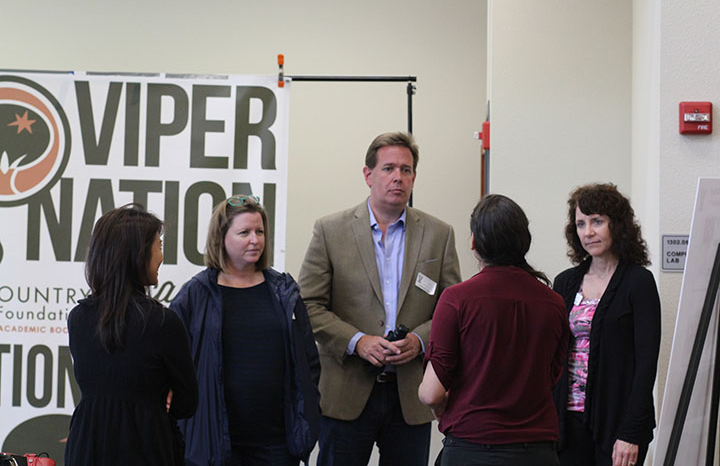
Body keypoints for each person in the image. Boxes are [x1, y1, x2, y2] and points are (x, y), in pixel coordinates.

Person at [298, 131, 462, 466]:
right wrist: (357, 341)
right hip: (345, 391)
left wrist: (419, 340)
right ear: (368, 174)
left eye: (406, 170)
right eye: (388, 168)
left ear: (414, 177)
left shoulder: (439, 234)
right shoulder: (330, 230)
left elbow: (453, 308)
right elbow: (308, 305)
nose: (398, 178)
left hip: (411, 395)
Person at [169, 195, 321, 466]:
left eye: (260, 231)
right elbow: (170, 361)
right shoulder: (196, 294)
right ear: (221, 238)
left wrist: (307, 412)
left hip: (276, 443)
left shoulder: (283, 290)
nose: (255, 240)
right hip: (216, 444)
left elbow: (308, 360)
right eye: (244, 233)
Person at [418, 194, 569, 466]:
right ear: (524, 241)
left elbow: (431, 393)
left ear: (475, 243)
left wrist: (441, 406)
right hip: (537, 452)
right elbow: (551, 376)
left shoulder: (456, 299)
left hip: (472, 449)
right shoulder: (554, 303)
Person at [65, 204, 198, 465]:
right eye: (158, 245)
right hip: (145, 448)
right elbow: (187, 403)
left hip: (86, 448)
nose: (161, 256)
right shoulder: (162, 322)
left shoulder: (78, 318)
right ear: (137, 254)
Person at [553, 183, 661, 466]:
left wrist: (631, 432)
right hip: (567, 423)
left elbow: (646, 365)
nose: (588, 232)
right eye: (580, 223)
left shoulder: (639, 283)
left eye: (597, 221)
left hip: (618, 424)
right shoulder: (564, 282)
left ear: (618, 225)